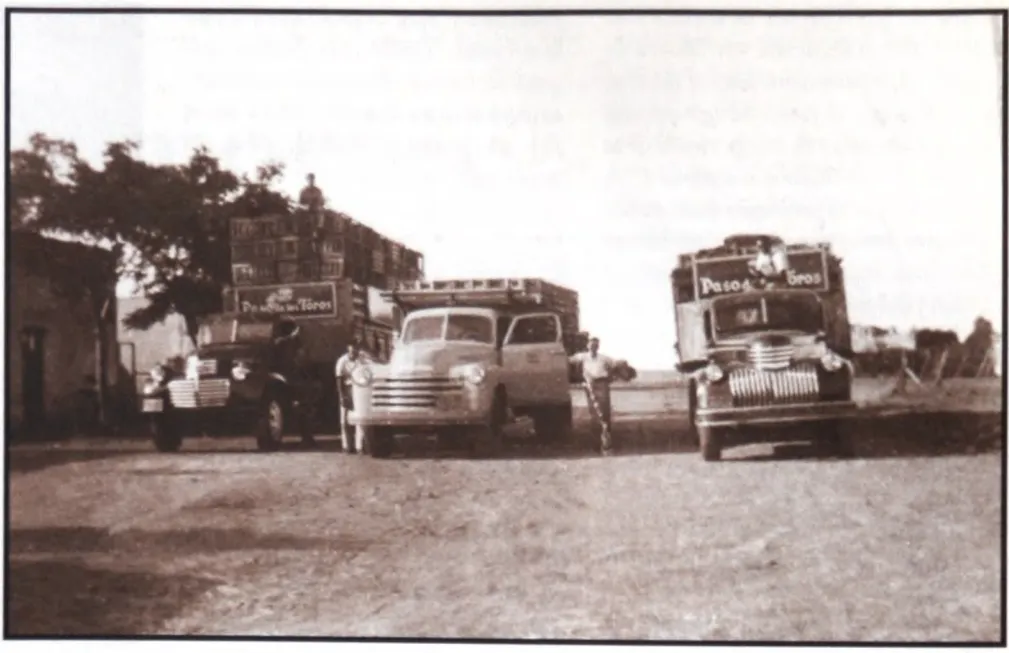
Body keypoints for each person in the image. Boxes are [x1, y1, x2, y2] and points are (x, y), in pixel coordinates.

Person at [570, 337, 617, 456]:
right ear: (587, 346)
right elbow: (569, 361)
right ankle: (596, 444)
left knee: (605, 412)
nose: (593, 348)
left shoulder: (604, 358)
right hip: (590, 385)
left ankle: (608, 444)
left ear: (598, 347)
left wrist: (610, 376)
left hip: (602, 383)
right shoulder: (582, 357)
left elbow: (616, 364)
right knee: (595, 413)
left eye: (595, 346)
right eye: (591, 345)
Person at [334, 340, 371, 453]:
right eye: (352, 349)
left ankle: (359, 446)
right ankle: (346, 446)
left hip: (359, 390)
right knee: (344, 420)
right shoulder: (342, 361)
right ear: (348, 348)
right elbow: (339, 379)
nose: (353, 352)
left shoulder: (361, 360)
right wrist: (342, 396)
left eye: (356, 349)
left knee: (359, 418)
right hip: (346, 389)